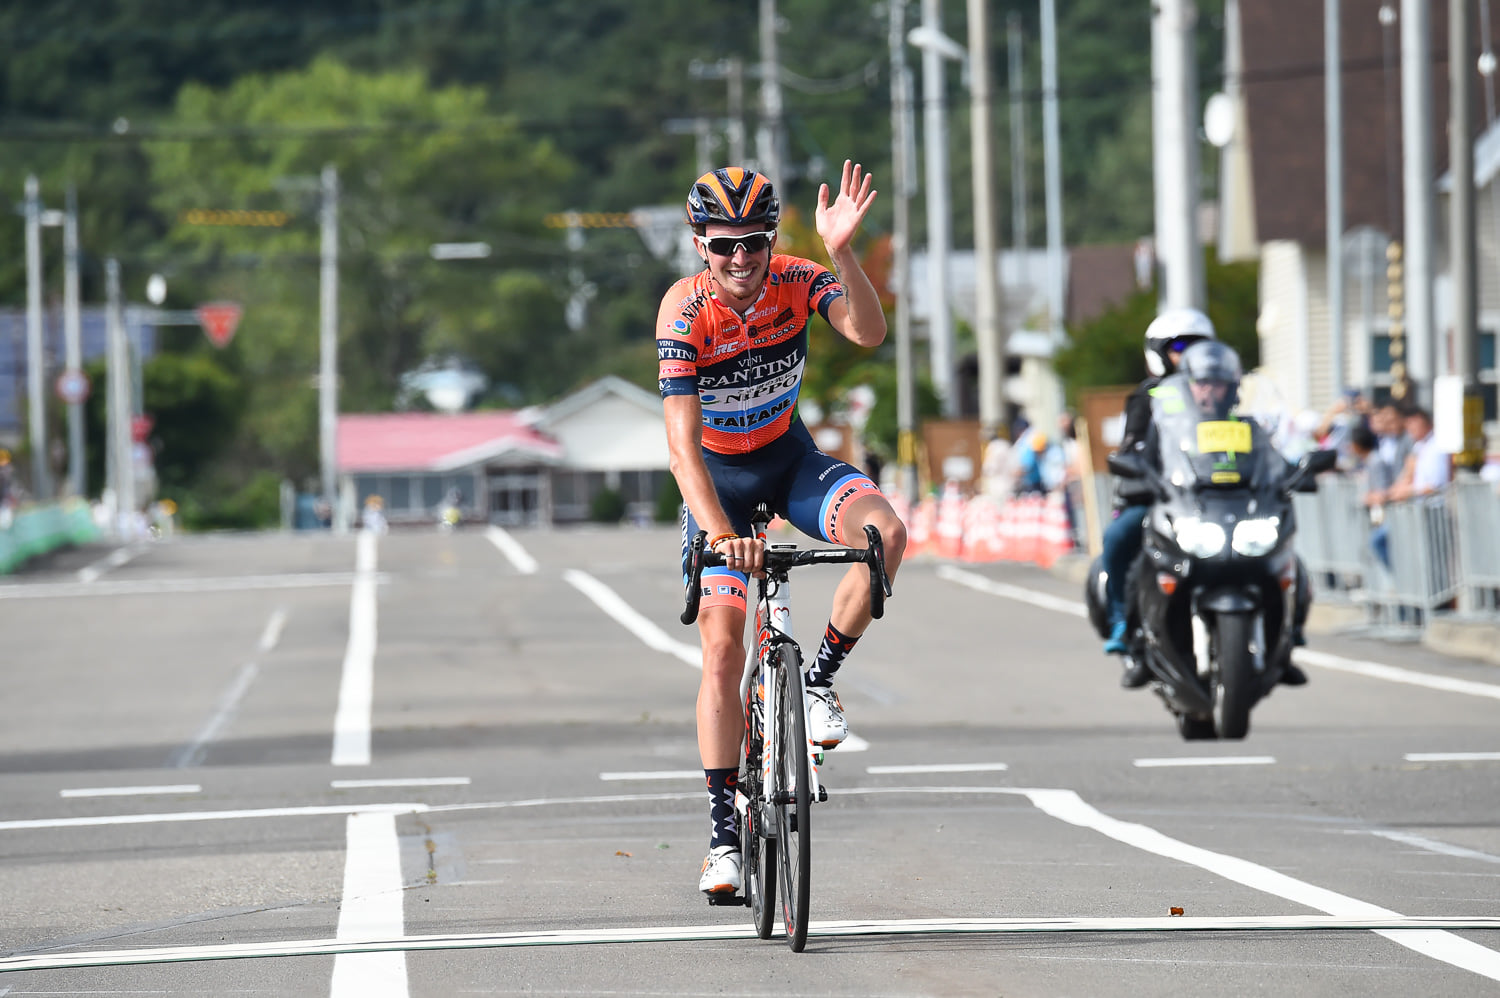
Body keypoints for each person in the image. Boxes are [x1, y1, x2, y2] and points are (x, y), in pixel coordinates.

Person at [657, 162, 907, 898]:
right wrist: (718, 532)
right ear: (701, 243)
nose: (741, 259)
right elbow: (679, 450)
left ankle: (821, 680)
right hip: (718, 487)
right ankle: (722, 837)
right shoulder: (683, 312)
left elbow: (868, 331)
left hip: (788, 461)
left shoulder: (798, 280)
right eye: (725, 244)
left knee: (884, 533)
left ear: (772, 242)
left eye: (755, 243)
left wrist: (843, 253)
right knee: (724, 646)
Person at [1100, 308, 1218, 677]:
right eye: (1180, 346)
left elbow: (1254, 438)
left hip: (1216, 500)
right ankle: (1123, 621)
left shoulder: (1224, 393)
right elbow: (1131, 446)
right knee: (1118, 537)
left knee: (1281, 544)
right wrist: (1139, 468)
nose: (1189, 354)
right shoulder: (1148, 395)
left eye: (1199, 345)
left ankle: (1286, 630)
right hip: (1161, 499)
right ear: (1160, 352)